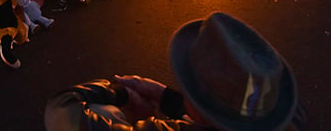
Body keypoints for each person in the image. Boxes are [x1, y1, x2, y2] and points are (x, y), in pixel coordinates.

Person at [44, 12, 306, 131]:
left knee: (105, 113)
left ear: (202, 116)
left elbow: (60, 110)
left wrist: (118, 93)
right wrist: (168, 100)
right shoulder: (289, 119)